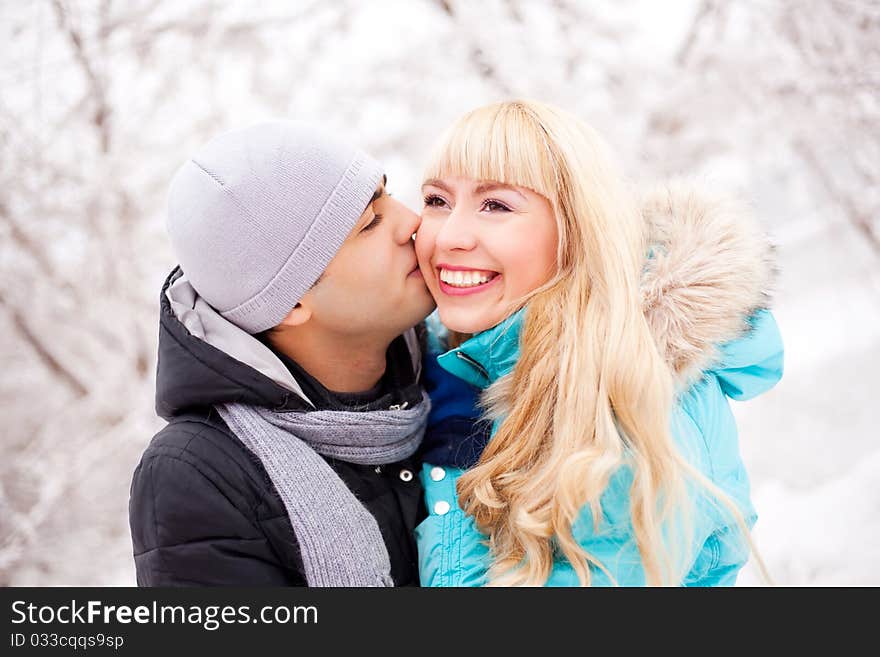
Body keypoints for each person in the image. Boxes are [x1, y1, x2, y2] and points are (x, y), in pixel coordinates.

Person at [413, 99, 784, 586]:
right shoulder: (469, 369)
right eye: (437, 201)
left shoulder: (627, 410)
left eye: (496, 205)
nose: (449, 236)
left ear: (575, 231)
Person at [128, 120, 439, 586]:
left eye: (385, 193)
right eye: (370, 222)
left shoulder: (468, 370)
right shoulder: (200, 476)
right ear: (290, 301)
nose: (411, 220)